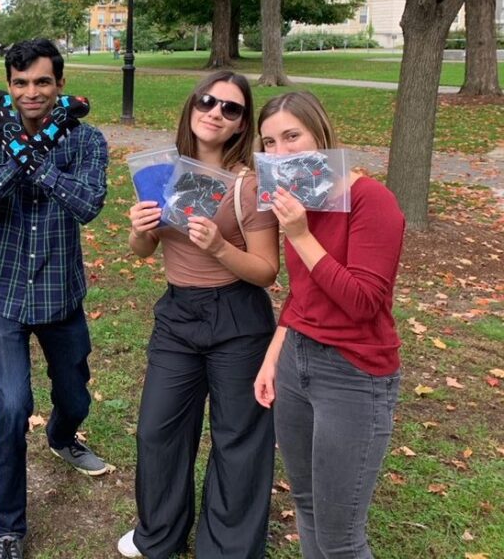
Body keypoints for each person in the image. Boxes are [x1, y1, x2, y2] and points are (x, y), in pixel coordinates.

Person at [120, 70, 280, 559]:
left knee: (238, 438)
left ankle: (227, 548)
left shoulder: (248, 186)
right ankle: (160, 534)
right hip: (178, 314)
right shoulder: (162, 170)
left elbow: (266, 270)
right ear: (192, 108)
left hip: (238, 317)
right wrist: (139, 228)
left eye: (230, 109)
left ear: (240, 125)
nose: (216, 112)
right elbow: (143, 251)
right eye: (208, 102)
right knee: (158, 429)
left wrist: (219, 247)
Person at [0, 38, 110, 559]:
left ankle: (64, 436)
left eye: (42, 82)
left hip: (59, 293)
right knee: (11, 406)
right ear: (9, 85)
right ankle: (9, 529)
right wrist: (15, 154)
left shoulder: (87, 141)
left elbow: (89, 204)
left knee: (73, 394)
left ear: (59, 84)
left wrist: (39, 156)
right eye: (21, 83)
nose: (32, 92)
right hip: (3, 292)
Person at [253, 91, 404, 559]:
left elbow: (363, 302)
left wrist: (300, 235)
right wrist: (273, 357)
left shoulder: (370, 200)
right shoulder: (300, 199)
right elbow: (303, 292)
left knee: (342, 538)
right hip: (298, 362)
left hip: (354, 374)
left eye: (292, 136)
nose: (281, 153)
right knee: (307, 505)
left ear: (320, 132)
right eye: (269, 142)